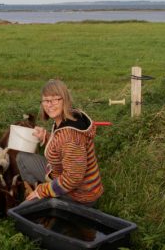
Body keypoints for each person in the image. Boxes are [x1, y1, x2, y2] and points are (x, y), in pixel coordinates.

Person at [16, 79, 103, 207]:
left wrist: (42, 191)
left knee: (20, 212)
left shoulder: (70, 137)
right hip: (60, 175)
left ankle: (44, 201)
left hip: (79, 195)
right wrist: (46, 137)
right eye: (46, 100)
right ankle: (35, 192)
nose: (49, 105)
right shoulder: (66, 117)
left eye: (55, 99)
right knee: (22, 157)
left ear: (65, 100)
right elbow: (61, 145)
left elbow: (73, 179)